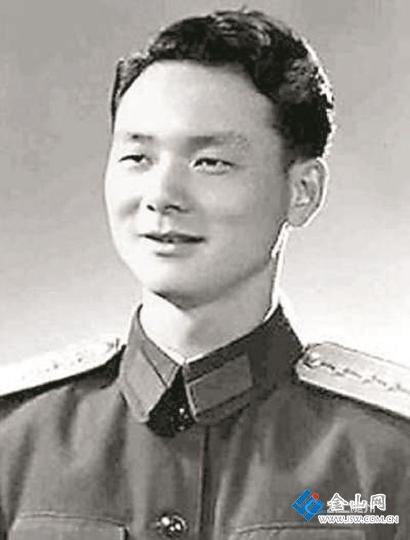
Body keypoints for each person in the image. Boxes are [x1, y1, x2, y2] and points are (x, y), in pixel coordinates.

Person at [1, 8, 409, 540]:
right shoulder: (16, 439)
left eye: (210, 162)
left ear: (303, 191)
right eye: (137, 157)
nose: (162, 196)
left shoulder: (384, 458)